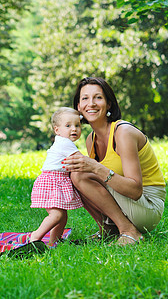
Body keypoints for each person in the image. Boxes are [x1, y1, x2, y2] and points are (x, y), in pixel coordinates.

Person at [63, 77, 166, 245]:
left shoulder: (123, 132)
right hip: (129, 202)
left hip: (148, 206)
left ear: (109, 104)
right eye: (85, 98)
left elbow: (135, 191)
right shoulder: (91, 139)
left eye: (98, 97)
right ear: (79, 107)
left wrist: (96, 168)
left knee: (81, 174)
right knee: (76, 173)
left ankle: (129, 231)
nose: (92, 103)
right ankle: (108, 230)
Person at [30, 107, 83, 246]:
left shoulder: (64, 142)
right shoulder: (65, 143)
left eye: (77, 125)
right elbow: (82, 160)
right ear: (57, 130)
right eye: (68, 126)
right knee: (57, 215)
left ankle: (54, 241)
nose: (74, 129)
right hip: (52, 182)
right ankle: (36, 236)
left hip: (55, 181)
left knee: (62, 215)